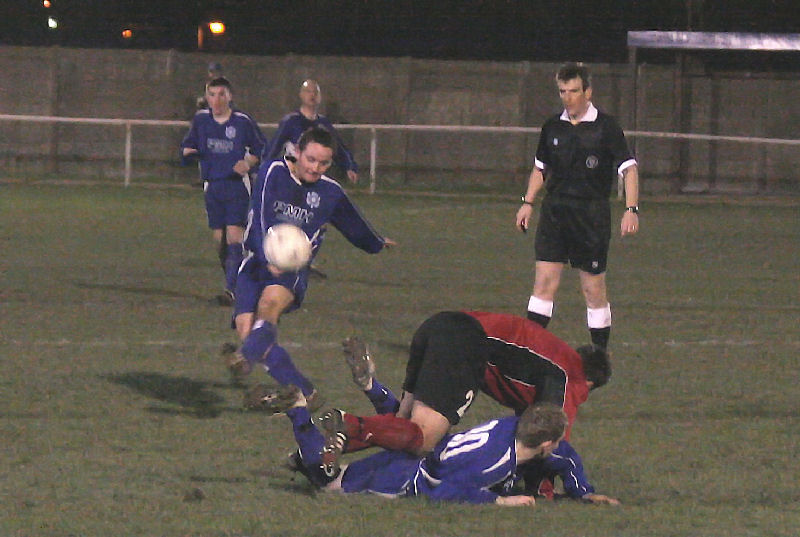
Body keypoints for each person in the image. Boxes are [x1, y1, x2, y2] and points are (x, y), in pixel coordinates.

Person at [225, 126, 395, 406]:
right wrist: (269, 257)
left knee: (269, 307)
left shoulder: (330, 192)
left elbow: (354, 225)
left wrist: (376, 242)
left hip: (291, 270)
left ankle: (245, 357)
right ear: (298, 152)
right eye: (311, 159)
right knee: (247, 330)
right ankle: (307, 392)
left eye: (324, 163)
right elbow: (263, 214)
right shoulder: (273, 172)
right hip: (256, 262)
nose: (316, 168)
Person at [307, 311, 609, 460]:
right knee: (423, 441)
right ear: (591, 382)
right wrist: (547, 488)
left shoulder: (549, 359)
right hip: (465, 341)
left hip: (438, 325)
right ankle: (349, 422)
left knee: (403, 428)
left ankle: (317, 454)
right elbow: (552, 443)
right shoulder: (570, 375)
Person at [267, 384, 571, 506]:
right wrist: (502, 502)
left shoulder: (509, 426)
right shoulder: (498, 462)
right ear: (545, 443)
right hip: (405, 478)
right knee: (328, 484)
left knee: (341, 469)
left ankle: (371, 392)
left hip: (418, 454)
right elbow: (446, 491)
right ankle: (297, 411)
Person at [515, 62, 640, 350]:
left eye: (573, 91)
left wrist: (631, 209)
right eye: (562, 91)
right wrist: (527, 203)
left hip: (591, 216)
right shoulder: (552, 127)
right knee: (544, 283)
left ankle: (599, 354)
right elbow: (540, 169)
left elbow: (629, 169)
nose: (568, 97)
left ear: (588, 92)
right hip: (555, 213)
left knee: (592, 289)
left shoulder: (606, 128)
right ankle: (530, 351)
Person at [180, 76, 268, 305]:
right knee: (219, 240)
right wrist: (191, 155)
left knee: (234, 236)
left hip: (236, 186)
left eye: (221, 94)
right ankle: (241, 278)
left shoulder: (242, 122)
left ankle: (233, 290)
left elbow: (262, 148)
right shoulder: (201, 121)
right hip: (212, 187)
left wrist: (248, 163)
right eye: (212, 94)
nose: (217, 100)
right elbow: (188, 147)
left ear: (230, 96)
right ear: (206, 97)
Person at [264, 79, 359, 184]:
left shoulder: (324, 124)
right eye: (308, 91)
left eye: (315, 92)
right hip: (293, 178)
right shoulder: (291, 121)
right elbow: (274, 148)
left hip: (316, 178)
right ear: (301, 95)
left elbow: (338, 148)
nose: (312, 95)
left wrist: (349, 167)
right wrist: (265, 170)